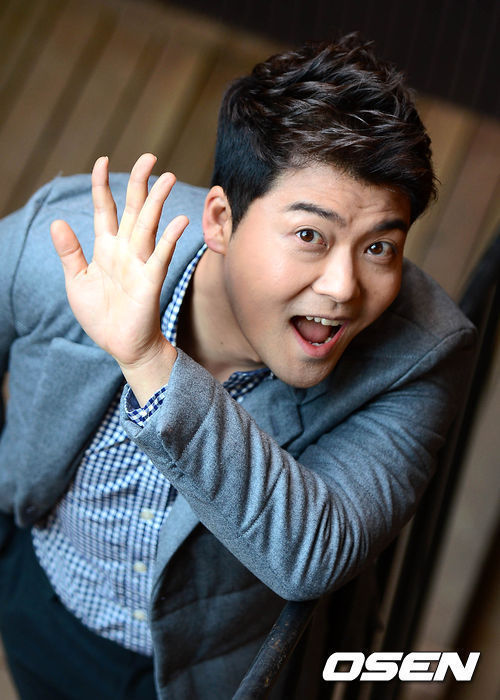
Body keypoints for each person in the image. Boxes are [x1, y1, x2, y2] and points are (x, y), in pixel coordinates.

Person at [0, 34, 475, 699]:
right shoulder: (63, 249)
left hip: (227, 674)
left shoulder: (421, 354)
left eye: (378, 248)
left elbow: (315, 552)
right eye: (309, 235)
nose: (343, 287)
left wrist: (150, 361)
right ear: (221, 220)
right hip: (46, 608)